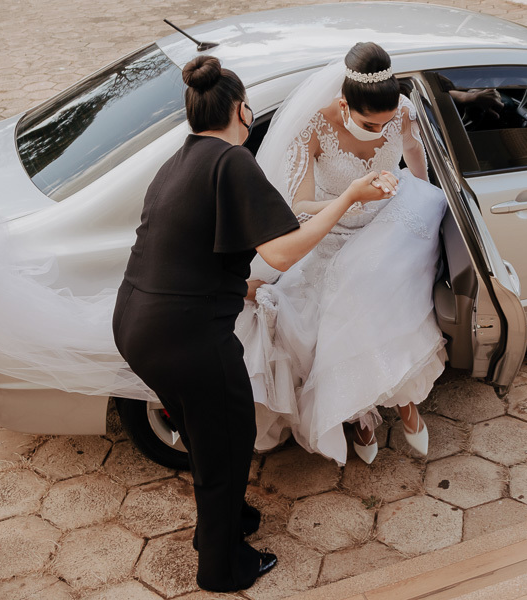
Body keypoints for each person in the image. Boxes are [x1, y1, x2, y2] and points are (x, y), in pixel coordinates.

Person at [112, 55, 396, 593]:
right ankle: (223, 568)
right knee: (229, 437)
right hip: (185, 335)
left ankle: (223, 526)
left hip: (135, 323)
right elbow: (283, 253)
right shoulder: (231, 161)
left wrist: (240, 287)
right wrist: (349, 197)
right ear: (243, 111)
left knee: (204, 434)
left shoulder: (180, 161)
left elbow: (185, 249)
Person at [238, 42, 448, 466]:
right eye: (371, 124)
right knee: (336, 317)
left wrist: (422, 193)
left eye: (386, 122)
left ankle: (404, 399)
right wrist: (352, 197)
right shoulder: (315, 129)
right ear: (343, 104)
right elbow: (300, 206)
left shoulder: (401, 110)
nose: (380, 129)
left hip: (386, 224)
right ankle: (359, 411)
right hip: (331, 233)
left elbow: (411, 149)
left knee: (384, 303)